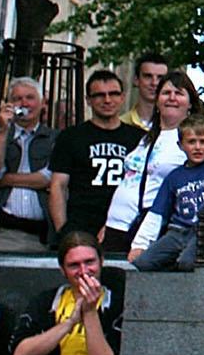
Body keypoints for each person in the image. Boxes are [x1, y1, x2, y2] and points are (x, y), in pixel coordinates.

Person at [101, 69, 199, 255]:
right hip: (117, 224)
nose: (171, 98)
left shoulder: (198, 138)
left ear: (190, 104)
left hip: (151, 228)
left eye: (178, 93)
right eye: (165, 93)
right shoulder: (147, 137)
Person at [131, 110, 204, 271]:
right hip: (177, 232)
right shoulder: (174, 177)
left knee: (187, 263)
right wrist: (140, 245)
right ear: (181, 145)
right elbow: (157, 213)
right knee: (142, 263)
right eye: (191, 142)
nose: (198, 147)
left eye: (203, 142)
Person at [48, 69, 139, 241]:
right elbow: (58, 186)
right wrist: (64, 232)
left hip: (124, 225)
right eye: (99, 95)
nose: (107, 100)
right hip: (80, 224)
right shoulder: (71, 137)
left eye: (113, 94)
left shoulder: (138, 139)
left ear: (122, 97)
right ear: (88, 100)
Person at [0, 76, 57, 252]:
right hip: (4, 232)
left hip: (44, 235)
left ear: (42, 103)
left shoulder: (55, 139)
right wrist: (3, 132)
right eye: (17, 99)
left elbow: (49, 178)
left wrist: (6, 179)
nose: (24, 103)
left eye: (30, 98)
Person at [127, 52, 170, 129]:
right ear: (136, 80)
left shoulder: (179, 127)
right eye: (148, 76)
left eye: (160, 77)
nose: (154, 83)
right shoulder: (122, 123)